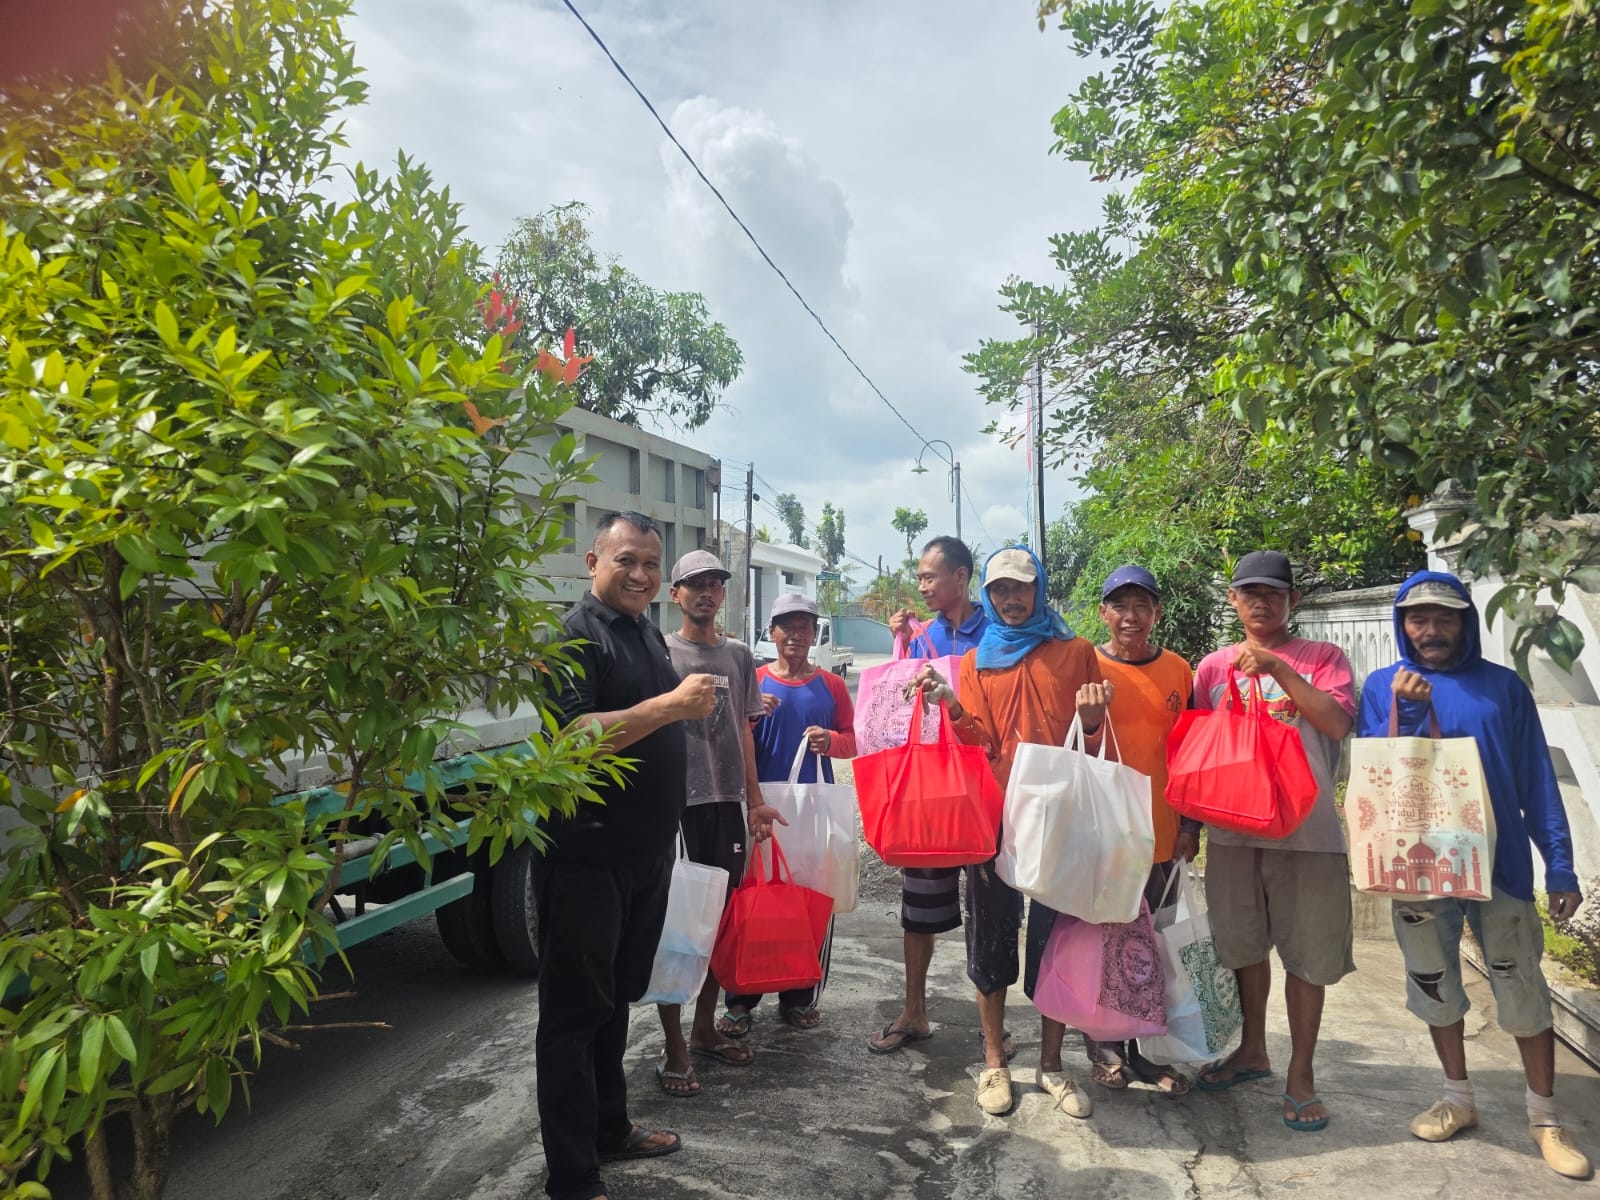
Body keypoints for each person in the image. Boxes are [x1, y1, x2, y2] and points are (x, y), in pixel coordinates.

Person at [1357, 571, 1590, 1179]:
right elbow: (1379, 769)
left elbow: (1536, 777)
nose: (1431, 630)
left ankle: (1545, 1116)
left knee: (1521, 984)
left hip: (1501, 863)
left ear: (1465, 623)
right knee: (1433, 981)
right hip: (1417, 865)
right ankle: (1457, 1097)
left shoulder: (1503, 688)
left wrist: (1559, 864)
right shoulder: (1382, 687)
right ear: (1402, 625)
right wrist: (1408, 711)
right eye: (1418, 619)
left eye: (1445, 618)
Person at [537, 512, 715, 1200]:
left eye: (650, 564)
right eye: (626, 561)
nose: (641, 575)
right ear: (593, 563)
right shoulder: (573, 636)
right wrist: (670, 707)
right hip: (586, 857)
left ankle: (609, 1129)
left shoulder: (642, 630)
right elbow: (571, 737)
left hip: (644, 857)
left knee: (613, 1002)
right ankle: (572, 1176)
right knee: (573, 1016)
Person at [912, 546, 1107, 1119]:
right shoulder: (977, 661)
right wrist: (952, 706)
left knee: (1057, 938)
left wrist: (1093, 721)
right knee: (990, 937)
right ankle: (994, 1061)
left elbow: (1095, 745)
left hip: (1060, 816)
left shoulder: (1076, 652)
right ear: (988, 594)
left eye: (1021, 587)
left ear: (1039, 588)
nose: (1011, 599)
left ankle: (1052, 1064)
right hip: (995, 817)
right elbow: (980, 743)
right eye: (1000, 589)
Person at [1191, 550, 1356, 1134]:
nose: (1261, 602)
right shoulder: (1213, 668)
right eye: (1250, 593)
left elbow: (1336, 723)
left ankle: (1301, 1074)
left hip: (1308, 835)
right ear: (1233, 600)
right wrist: (1190, 828)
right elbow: (1198, 750)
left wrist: (1278, 670)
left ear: (1293, 600)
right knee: (1243, 947)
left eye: (1273, 593)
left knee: (1308, 956)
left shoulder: (1324, 658)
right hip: (1233, 833)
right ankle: (1253, 1050)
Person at [653, 549, 784, 1098]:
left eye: (715, 584)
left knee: (717, 924)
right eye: (695, 584)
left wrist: (754, 801)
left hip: (726, 806)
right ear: (675, 594)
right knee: (678, 928)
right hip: (678, 809)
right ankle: (674, 1046)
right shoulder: (661, 651)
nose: (706, 592)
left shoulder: (737, 655)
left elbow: (744, 734)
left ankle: (704, 1029)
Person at [1076, 564, 1199, 1095]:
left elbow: (1192, 754)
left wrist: (1191, 825)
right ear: (1103, 613)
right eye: (1120, 606)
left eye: (1141, 606)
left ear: (1157, 613)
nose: (1131, 616)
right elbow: (1073, 750)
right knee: (1106, 944)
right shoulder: (1088, 666)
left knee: (1153, 947)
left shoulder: (1179, 671)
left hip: (1164, 836)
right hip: (1107, 837)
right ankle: (1104, 1045)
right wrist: (1090, 719)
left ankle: (1146, 1053)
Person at [869, 535, 991, 1055]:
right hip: (932, 787)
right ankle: (913, 1011)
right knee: (918, 907)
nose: (921, 586)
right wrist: (901, 649)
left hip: (986, 787)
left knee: (990, 909)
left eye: (928, 576)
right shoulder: (921, 638)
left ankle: (993, 1027)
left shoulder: (997, 633)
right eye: (919, 577)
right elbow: (900, 706)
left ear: (960, 576)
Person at [719, 592, 857, 1036]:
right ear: (772, 633)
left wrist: (831, 741)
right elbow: (728, 740)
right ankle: (741, 998)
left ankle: (799, 995)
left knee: (809, 900)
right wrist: (752, 717)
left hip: (813, 811)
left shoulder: (831, 686)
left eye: (805, 627)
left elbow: (854, 740)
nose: (796, 635)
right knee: (755, 898)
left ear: (814, 634)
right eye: (787, 627)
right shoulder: (754, 681)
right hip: (761, 808)